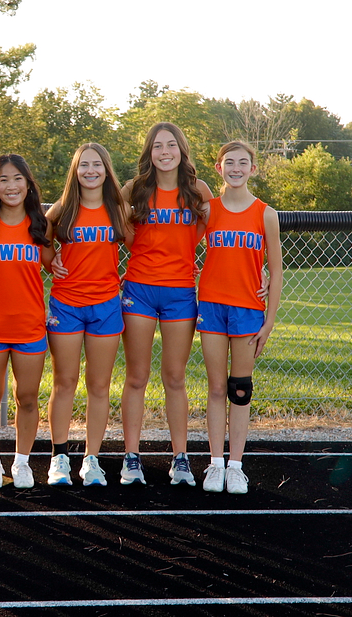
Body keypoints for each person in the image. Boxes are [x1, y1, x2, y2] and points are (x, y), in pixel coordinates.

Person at [119, 122, 213, 487]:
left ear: (181, 150)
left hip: (179, 292)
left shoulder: (197, 189)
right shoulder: (135, 188)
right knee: (137, 376)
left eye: (170, 145)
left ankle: (180, 458)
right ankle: (131, 457)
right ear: (149, 152)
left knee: (174, 377)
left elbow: (212, 228)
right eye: (157, 146)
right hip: (140, 289)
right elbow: (120, 225)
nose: (164, 152)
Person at [197, 141, 282, 494]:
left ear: (253, 169)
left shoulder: (266, 214)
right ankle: (215, 464)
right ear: (219, 168)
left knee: (240, 389)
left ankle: (235, 466)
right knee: (217, 388)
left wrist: (269, 321)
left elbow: (276, 271)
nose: (235, 168)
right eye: (229, 162)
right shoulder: (207, 210)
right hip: (212, 306)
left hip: (248, 309)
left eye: (242, 162)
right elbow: (180, 247)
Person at [45, 143, 128, 487]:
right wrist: (50, 260)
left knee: (99, 385)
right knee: (64, 382)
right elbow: (41, 239)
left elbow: (146, 245)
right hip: (66, 304)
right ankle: (59, 457)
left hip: (106, 306)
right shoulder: (63, 208)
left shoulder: (118, 209)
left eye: (97, 165)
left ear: (107, 170)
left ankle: (91, 459)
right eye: (84, 165)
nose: (90, 171)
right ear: (75, 171)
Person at [0, 154, 54, 489]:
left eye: (18, 178)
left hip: (29, 326)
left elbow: (56, 264)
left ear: (28, 184)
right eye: (3, 179)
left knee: (28, 398)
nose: (11, 186)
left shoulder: (40, 225)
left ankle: (21, 463)